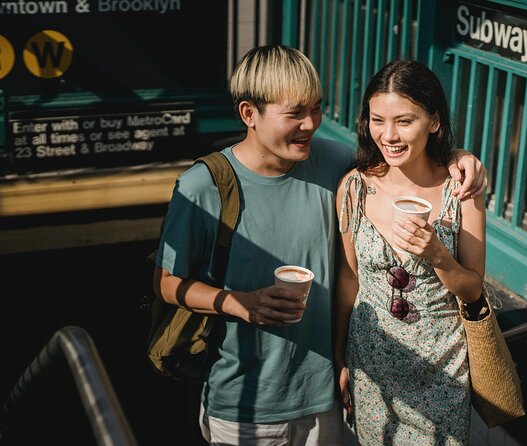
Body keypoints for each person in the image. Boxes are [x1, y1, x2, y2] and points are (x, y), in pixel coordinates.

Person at [154, 45, 486, 445]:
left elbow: (399, 157)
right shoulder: (203, 186)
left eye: (316, 108)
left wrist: (459, 157)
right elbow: (167, 283)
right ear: (249, 114)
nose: (310, 124)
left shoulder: (333, 163)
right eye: (295, 113)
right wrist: (238, 302)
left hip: (326, 395)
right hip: (244, 401)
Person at [335, 59, 487, 445]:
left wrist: (437, 254)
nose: (389, 135)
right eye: (377, 120)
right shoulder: (354, 189)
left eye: (404, 121)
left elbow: (472, 289)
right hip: (372, 368)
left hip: (442, 373)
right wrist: (339, 357)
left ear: (433, 121)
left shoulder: (462, 191)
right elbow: (350, 278)